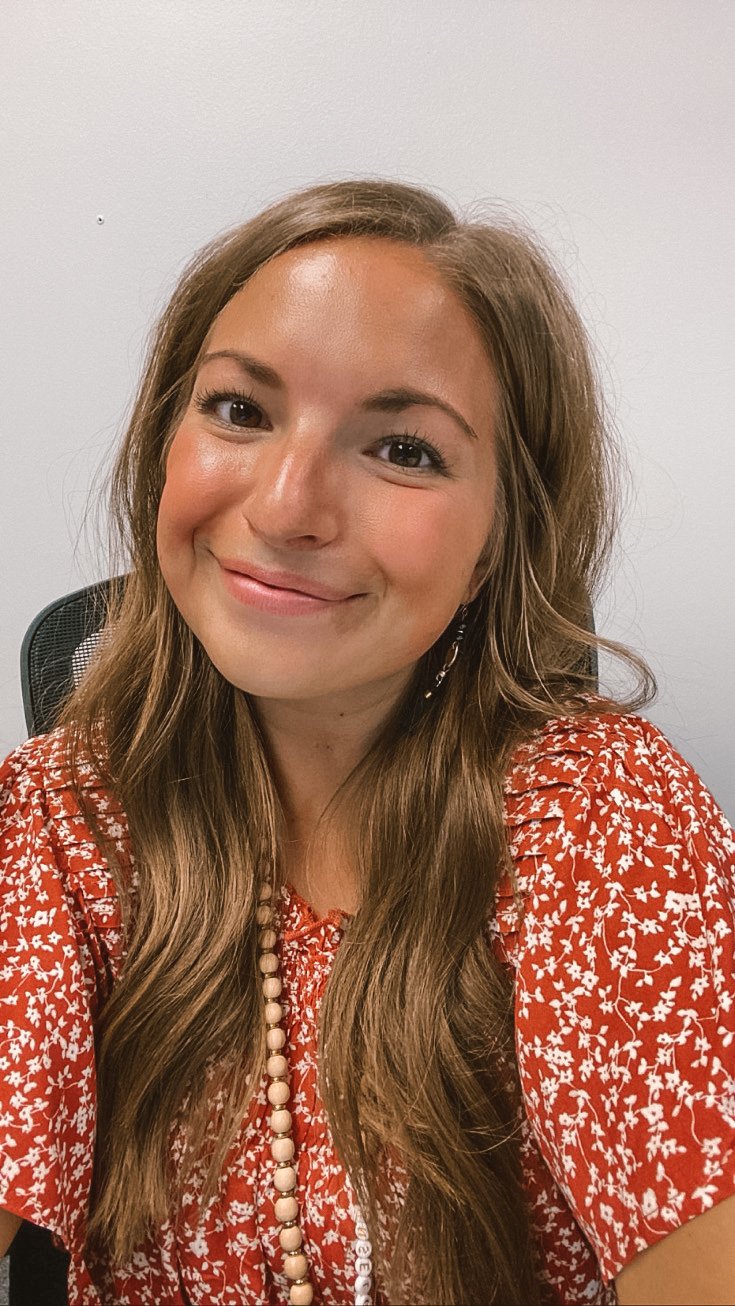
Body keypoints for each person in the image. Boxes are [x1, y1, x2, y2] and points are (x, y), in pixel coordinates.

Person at [1, 177, 733, 1306]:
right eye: (239, 409)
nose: (287, 507)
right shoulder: (57, 819)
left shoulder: (605, 822)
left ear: (497, 545)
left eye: (402, 448)